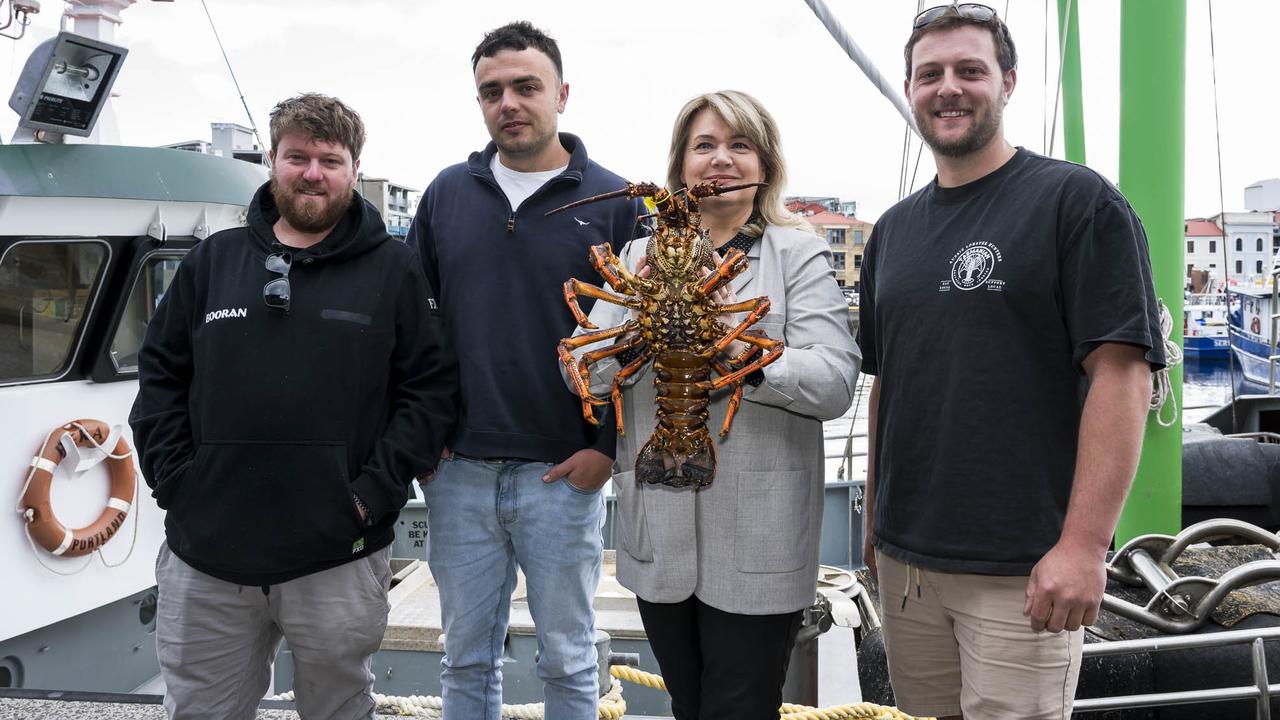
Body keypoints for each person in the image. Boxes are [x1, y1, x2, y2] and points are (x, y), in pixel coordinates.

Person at [858, 5, 1165, 719]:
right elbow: (887, 386)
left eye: (971, 70)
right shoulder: (893, 233)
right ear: (910, 89)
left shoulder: (1075, 201)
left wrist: (1085, 546)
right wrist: (875, 526)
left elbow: (1124, 375)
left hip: (1022, 569)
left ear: (1009, 82)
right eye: (929, 74)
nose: (949, 88)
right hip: (907, 566)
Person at [130, 93, 457, 720]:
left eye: (330, 160)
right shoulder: (212, 261)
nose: (313, 172)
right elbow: (161, 378)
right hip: (208, 557)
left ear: (354, 171)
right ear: (273, 162)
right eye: (297, 156)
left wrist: (370, 493)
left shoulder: (395, 270)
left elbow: (429, 391)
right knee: (202, 710)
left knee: (338, 708)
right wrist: (178, 480)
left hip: (337, 552)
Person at [567, 90, 860, 720]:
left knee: (741, 707)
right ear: (679, 168)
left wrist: (742, 358)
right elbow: (583, 375)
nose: (719, 160)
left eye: (738, 146)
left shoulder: (797, 252)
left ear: (764, 165)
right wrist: (633, 341)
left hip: (762, 537)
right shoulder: (636, 257)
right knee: (688, 704)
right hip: (660, 530)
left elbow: (836, 381)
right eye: (703, 146)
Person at [405, 21, 643, 720]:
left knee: (568, 661)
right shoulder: (446, 196)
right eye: (491, 92)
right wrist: (427, 443)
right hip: (460, 474)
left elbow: (639, 344)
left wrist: (607, 450)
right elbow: (415, 329)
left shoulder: (617, 202)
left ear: (562, 94)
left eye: (525, 87)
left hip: (563, 477)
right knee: (465, 658)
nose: (508, 102)